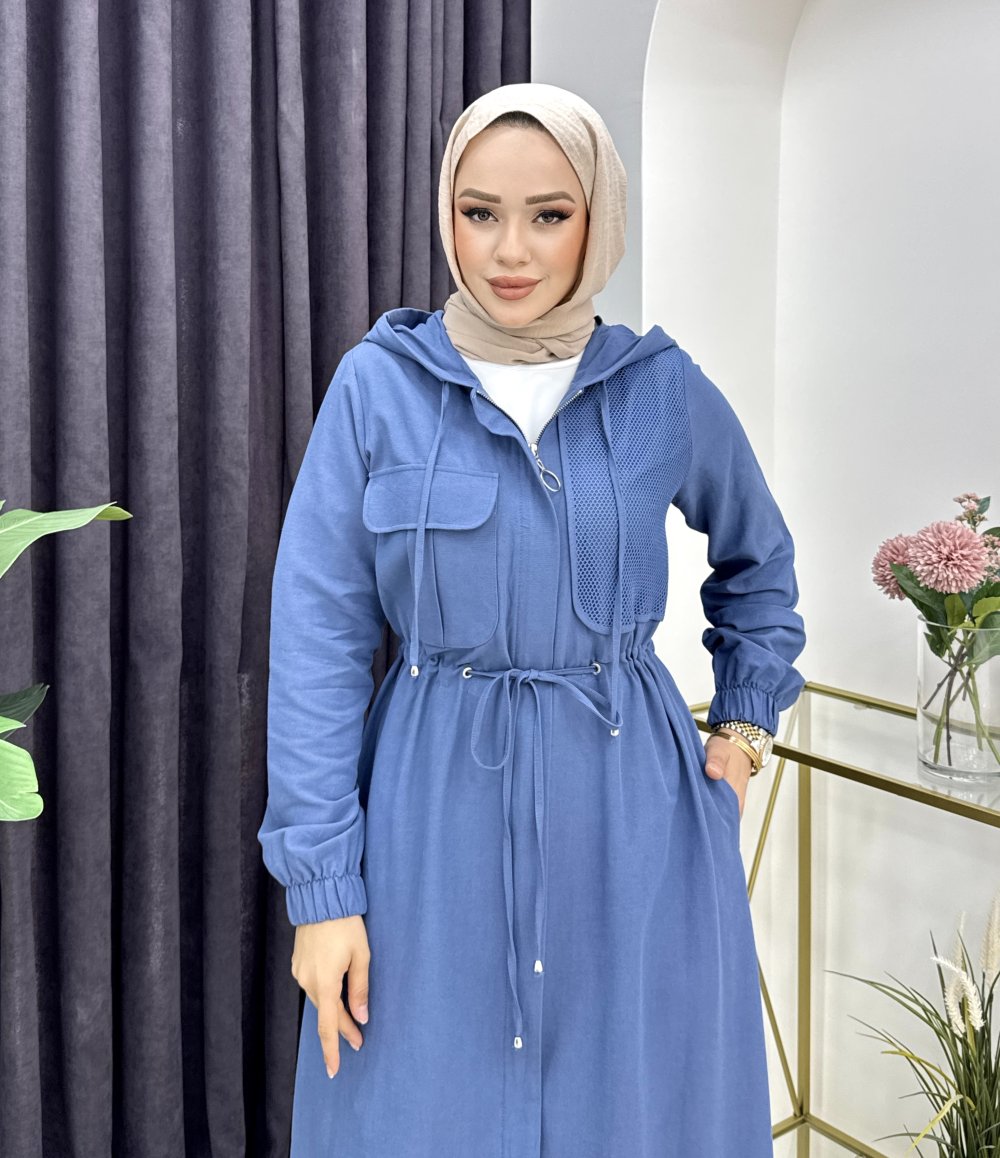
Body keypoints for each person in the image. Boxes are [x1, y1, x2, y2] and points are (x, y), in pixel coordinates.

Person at [257, 81, 807, 1157]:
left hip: (637, 820)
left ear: (597, 217)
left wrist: (742, 731)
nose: (510, 250)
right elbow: (316, 640)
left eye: (549, 214)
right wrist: (322, 893)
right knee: (419, 1109)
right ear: (447, 217)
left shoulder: (659, 390)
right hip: (428, 819)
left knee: (636, 1112)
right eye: (480, 212)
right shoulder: (378, 386)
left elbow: (761, 565)